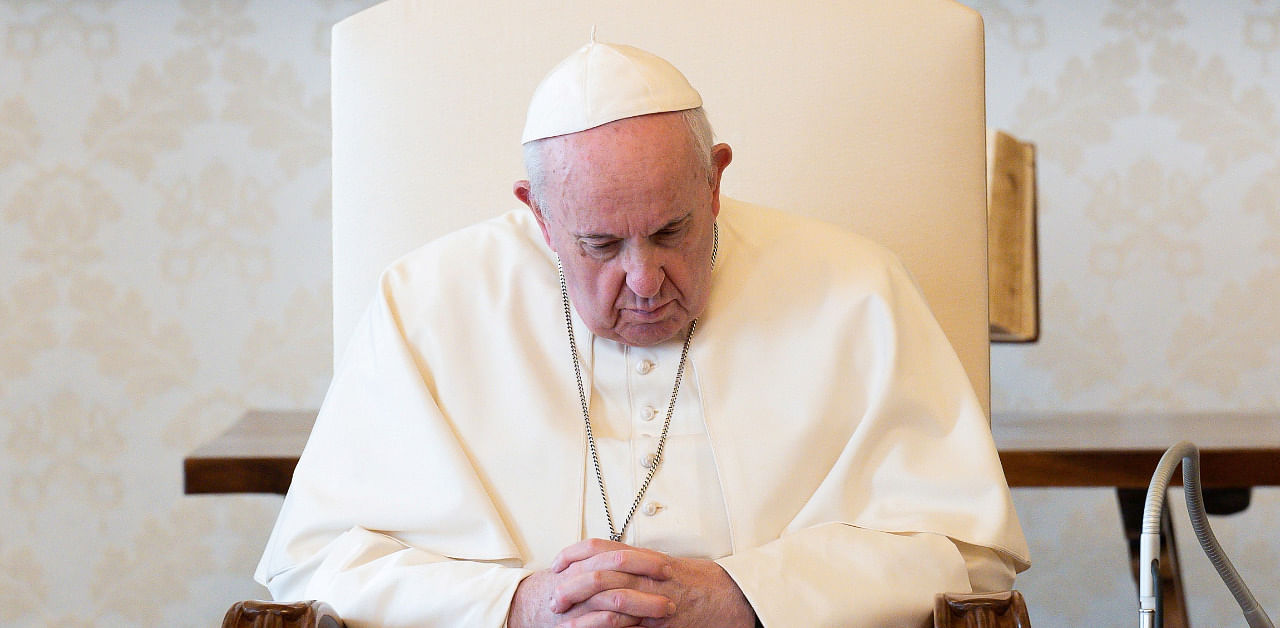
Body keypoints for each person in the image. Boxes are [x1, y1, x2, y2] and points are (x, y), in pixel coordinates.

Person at [256, 38, 1029, 628]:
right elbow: (312, 568)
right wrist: (515, 607)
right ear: (538, 212)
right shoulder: (426, 304)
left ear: (716, 180)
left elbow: (972, 561)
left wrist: (746, 597)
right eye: (599, 245)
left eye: (671, 231)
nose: (644, 279)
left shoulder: (855, 287)